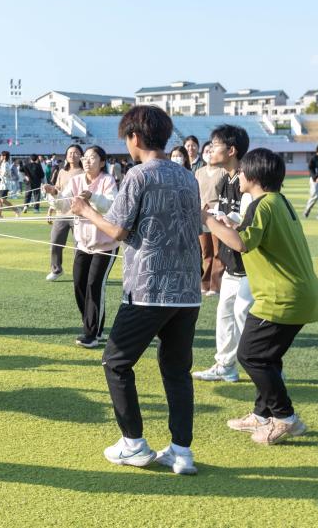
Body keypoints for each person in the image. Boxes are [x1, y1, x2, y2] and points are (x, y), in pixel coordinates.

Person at [69, 105, 202, 475]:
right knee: (177, 370)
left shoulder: (138, 175)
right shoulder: (187, 176)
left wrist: (85, 211)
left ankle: (133, 443)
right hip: (187, 290)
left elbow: (118, 230)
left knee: (116, 362)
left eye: (126, 138)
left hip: (148, 287)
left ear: (135, 137)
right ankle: (181, 451)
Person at [201, 148, 318, 445]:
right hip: (296, 294)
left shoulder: (261, 204)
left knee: (250, 355)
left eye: (242, 171)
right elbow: (252, 235)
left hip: (282, 297)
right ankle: (261, 414)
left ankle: (285, 417)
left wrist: (207, 220)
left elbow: (242, 244)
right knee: (268, 356)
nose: (239, 175)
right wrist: (230, 224)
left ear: (254, 176)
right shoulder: (277, 201)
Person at [193, 125, 253, 384]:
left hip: (250, 265)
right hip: (232, 263)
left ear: (231, 150)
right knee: (225, 313)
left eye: (214, 145)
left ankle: (267, 367)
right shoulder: (227, 179)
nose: (209, 150)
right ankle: (225, 365)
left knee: (245, 317)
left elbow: (250, 222)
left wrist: (219, 219)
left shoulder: (247, 179)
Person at [53, 146, 118, 347]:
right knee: (80, 284)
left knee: (94, 284)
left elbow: (111, 206)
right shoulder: (75, 181)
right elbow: (63, 205)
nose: (87, 161)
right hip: (83, 243)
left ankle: (92, 333)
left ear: (102, 162)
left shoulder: (108, 181)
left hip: (105, 244)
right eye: (85, 158)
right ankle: (92, 325)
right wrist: (53, 195)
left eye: (92, 158)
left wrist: (92, 197)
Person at [41, 144, 83, 281]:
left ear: (81, 156)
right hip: (62, 213)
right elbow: (57, 191)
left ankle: (79, 272)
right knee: (55, 241)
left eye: (76, 153)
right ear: (66, 156)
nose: (72, 155)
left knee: (79, 245)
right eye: (70, 153)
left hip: (78, 213)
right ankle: (56, 269)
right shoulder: (62, 172)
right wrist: (50, 209)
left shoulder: (85, 172)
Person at [194, 143, 226, 296]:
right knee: (206, 252)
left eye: (211, 151)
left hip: (216, 215)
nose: (209, 153)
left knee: (218, 252)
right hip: (201, 215)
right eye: (206, 151)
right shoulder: (198, 172)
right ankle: (205, 283)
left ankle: (215, 286)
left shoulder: (222, 172)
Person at [0, 151, 20, 218]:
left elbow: (3, 173)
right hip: (0, 184)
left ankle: (16, 210)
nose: (0, 157)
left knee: (2, 200)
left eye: (1, 155)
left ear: (4, 156)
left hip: (5, 184)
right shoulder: (2, 164)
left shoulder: (6, 164)